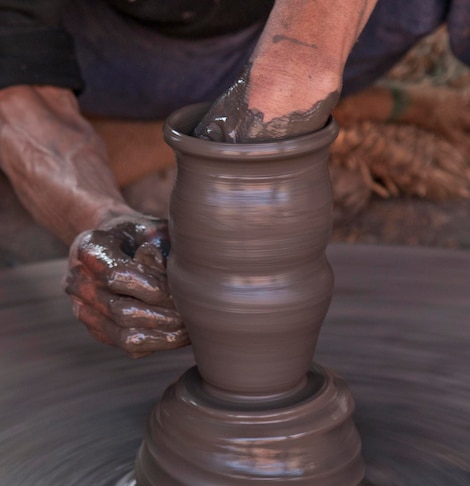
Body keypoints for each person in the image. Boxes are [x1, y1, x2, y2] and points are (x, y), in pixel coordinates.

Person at [0, 0, 468, 356]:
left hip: (338, 31)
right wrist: (99, 218)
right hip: (121, 54)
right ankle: (329, 117)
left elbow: (298, 67)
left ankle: (318, 116)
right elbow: (22, 94)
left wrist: (294, 72)